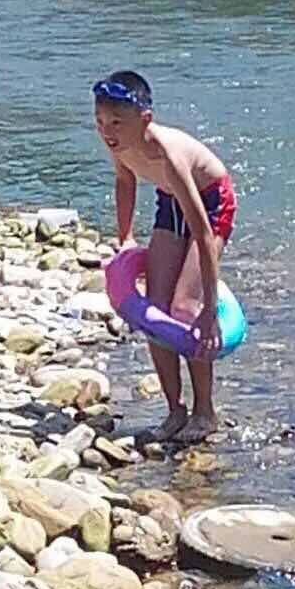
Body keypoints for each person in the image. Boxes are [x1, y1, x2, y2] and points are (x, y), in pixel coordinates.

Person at [92, 71, 237, 445]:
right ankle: (175, 409)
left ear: (145, 120)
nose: (108, 131)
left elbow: (203, 234)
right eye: (101, 121)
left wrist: (209, 310)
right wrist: (125, 238)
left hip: (209, 200)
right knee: (156, 309)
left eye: (117, 123)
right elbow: (125, 181)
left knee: (184, 308)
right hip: (169, 200)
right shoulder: (116, 142)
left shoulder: (169, 154)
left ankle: (205, 411)